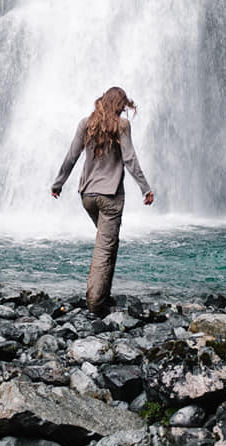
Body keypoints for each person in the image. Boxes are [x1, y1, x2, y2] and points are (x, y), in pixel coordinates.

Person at [51, 86, 154, 316]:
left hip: (87, 195)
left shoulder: (86, 123)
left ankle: (103, 295)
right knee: (105, 247)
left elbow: (71, 156)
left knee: (109, 241)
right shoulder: (122, 126)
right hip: (110, 198)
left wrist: (58, 183)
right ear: (120, 105)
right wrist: (145, 189)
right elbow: (130, 159)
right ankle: (96, 303)